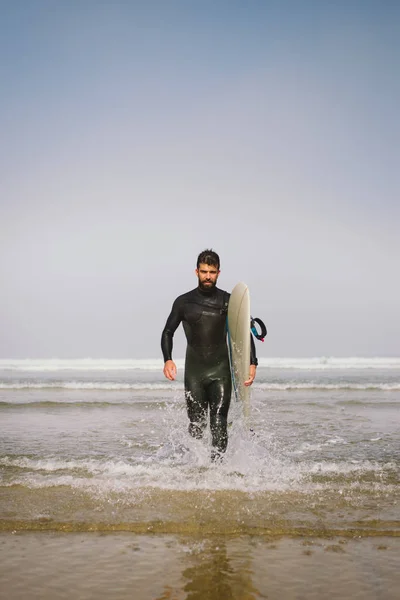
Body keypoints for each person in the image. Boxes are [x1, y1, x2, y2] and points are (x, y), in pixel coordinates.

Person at [161, 249, 257, 460]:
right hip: (195, 373)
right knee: (196, 423)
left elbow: (244, 332)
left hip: (220, 371)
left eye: (212, 272)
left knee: (218, 420)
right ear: (196, 271)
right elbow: (168, 332)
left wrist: (252, 362)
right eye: (204, 271)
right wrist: (167, 359)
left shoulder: (228, 301)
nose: (207, 276)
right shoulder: (183, 302)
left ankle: (217, 467)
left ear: (218, 273)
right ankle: (195, 464)